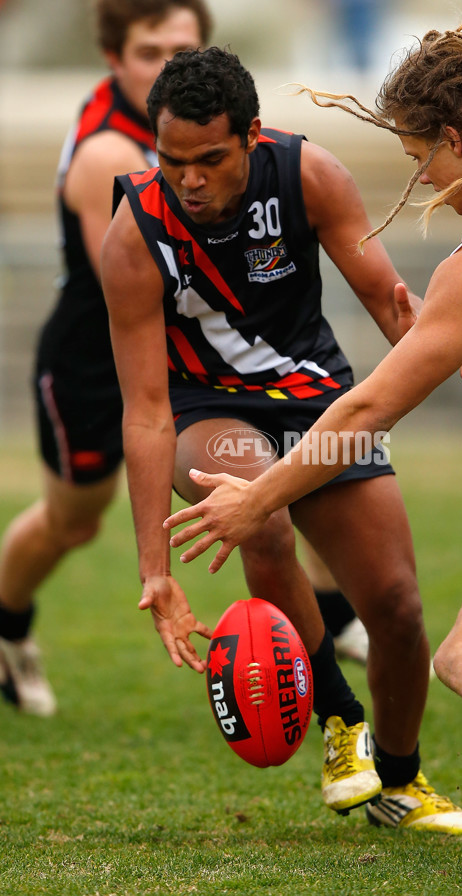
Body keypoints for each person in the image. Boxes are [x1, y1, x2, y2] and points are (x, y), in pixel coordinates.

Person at [163, 24, 462, 875]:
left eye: (419, 156)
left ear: (459, 138)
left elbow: (370, 406)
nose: (421, 178)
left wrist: (260, 497)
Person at [101, 46, 462, 831]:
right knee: (258, 513)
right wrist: (155, 571)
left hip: (320, 408)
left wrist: (442, 336)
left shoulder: (307, 175)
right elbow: (143, 411)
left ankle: (400, 782)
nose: (189, 180)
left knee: (398, 609)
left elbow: (385, 296)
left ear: (252, 138)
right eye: (173, 161)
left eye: (209, 160)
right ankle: (340, 720)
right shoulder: (134, 234)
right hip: (209, 412)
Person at [0, 0, 211, 717]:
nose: (170, 68)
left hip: (179, 350)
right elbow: (135, 285)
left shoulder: (202, 122)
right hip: (94, 360)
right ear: (115, 60)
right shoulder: (107, 153)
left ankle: (339, 620)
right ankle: (7, 624)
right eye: (151, 52)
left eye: (183, 51)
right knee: (74, 523)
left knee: (269, 469)